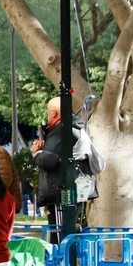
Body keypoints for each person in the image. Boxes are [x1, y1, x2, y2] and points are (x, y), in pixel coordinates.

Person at [31, 96, 93, 237]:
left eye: (48, 111)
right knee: (64, 231)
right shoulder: (72, 127)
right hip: (66, 187)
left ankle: (64, 259)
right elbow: (56, 155)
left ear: (54, 113)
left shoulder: (62, 130)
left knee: (59, 234)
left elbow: (49, 160)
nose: (47, 115)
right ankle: (66, 257)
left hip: (59, 189)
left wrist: (36, 152)